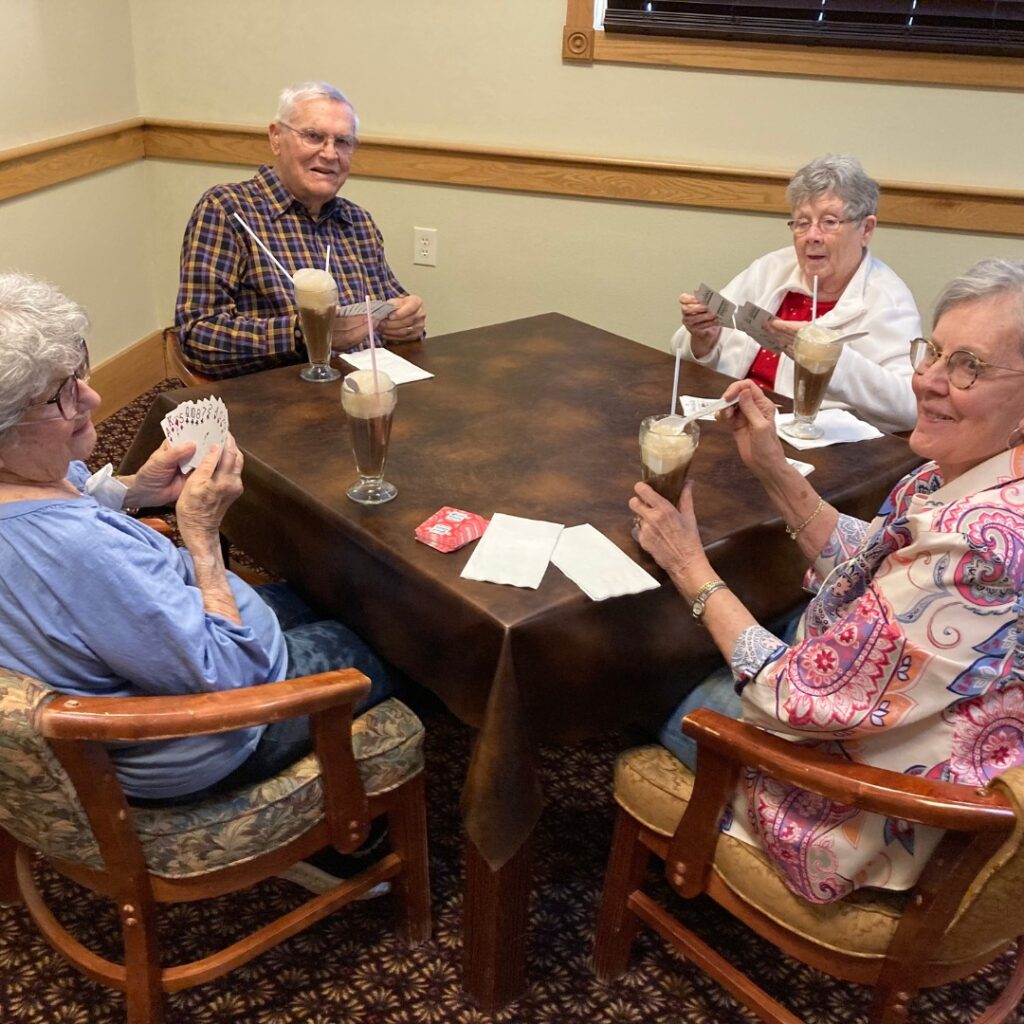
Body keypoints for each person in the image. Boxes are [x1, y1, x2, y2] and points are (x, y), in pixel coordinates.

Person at [633, 257, 1024, 904]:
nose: (927, 381)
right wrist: (773, 469)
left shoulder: (979, 546)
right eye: (933, 353)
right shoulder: (964, 474)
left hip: (871, 807)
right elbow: (876, 559)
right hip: (896, 721)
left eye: (969, 367)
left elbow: (793, 695)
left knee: (653, 675)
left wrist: (687, 564)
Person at [0, 271, 391, 892]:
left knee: (332, 593)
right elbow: (226, 676)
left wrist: (132, 491)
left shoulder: (24, 488)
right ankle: (337, 841)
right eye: (59, 397)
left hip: (129, 663)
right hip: (191, 742)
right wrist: (202, 536)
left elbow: (65, 512)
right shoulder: (80, 551)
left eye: (80, 375)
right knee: (395, 635)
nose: (93, 400)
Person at [175, 81, 427, 379]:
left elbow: (395, 311)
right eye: (313, 136)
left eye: (343, 142)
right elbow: (197, 336)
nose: (330, 154)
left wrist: (406, 321)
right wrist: (308, 331)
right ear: (276, 138)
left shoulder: (357, 222)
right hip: (279, 400)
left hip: (365, 391)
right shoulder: (227, 210)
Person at [672, 154, 921, 434]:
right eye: (802, 222)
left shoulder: (887, 299)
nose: (812, 236)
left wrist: (828, 358)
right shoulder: (772, 267)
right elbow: (686, 352)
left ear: (866, 229)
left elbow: (911, 407)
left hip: (815, 447)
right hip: (730, 421)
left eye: (829, 222)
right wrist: (704, 338)